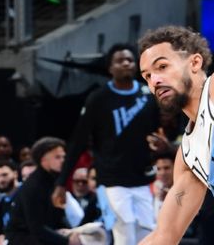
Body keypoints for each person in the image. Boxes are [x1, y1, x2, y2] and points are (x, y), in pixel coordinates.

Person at [52, 44, 160, 245]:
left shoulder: (147, 96)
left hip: (143, 178)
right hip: (112, 181)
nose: (126, 63)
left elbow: (157, 132)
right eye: (120, 60)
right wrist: (61, 181)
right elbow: (78, 141)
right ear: (110, 68)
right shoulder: (98, 99)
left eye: (129, 60)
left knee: (148, 234)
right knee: (124, 235)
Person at [137, 26, 214, 243]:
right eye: (147, 76)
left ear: (195, 63)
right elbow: (164, 236)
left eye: (162, 66)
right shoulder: (188, 157)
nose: (154, 80)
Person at [6, 137, 81, 245]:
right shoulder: (33, 186)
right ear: (43, 159)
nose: (63, 160)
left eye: (63, 157)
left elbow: (57, 217)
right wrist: (67, 241)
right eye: (57, 157)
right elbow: (36, 228)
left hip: (43, 235)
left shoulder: (55, 182)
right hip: (23, 239)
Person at [0, 160, 20, 244]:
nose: (1, 180)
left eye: (5, 175)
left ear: (15, 174)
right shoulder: (1, 202)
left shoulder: (25, 195)